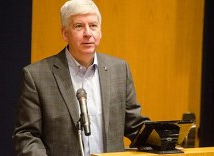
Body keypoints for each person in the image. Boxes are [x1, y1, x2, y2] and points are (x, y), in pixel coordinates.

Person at [12, 0, 149, 155]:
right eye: (79, 26)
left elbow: (135, 125)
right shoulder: (37, 76)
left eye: (93, 26)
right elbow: (27, 136)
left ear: (100, 31)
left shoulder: (119, 70)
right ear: (65, 33)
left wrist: (169, 139)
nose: (88, 33)